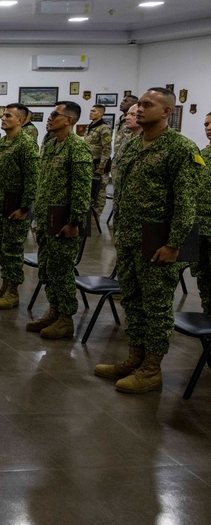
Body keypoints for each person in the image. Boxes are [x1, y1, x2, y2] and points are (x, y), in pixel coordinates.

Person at [95, 88, 202, 393]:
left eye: (147, 105)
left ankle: (152, 369)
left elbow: (186, 203)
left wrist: (174, 245)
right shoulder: (131, 144)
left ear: (167, 111)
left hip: (160, 243)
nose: (139, 110)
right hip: (129, 238)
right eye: (138, 104)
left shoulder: (180, 148)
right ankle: (135, 358)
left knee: (156, 306)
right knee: (133, 301)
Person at [25, 101, 93, 339]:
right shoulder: (51, 143)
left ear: (70, 120)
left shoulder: (77, 148)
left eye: (56, 114)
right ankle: (53, 311)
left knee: (62, 271)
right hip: (46, 219)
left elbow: (82, 189)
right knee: (47, 269)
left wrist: (75, 222)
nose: (50, 117)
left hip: (65, 221)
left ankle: (65, 319)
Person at [0, 104, 40, 309]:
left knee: (13, 249)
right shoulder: (3, 142)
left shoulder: (26, 144)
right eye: (3, 115)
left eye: (8, 116)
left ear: (21, 120)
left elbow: (33, 179)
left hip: (16, 206)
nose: (3, 118)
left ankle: (13, 291)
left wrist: (25, 208)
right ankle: (5, 285)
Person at [192, 112, 211, 316]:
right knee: (204, 277)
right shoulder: (202, 156)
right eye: (206, 124)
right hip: (200, 229)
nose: (208, 128)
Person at [84, 104, 113, 214]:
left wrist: (101, 167)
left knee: (100, 190)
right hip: (90, 163)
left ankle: (97, 214)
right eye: (90, 111)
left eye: (94, 111)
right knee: (90, 189)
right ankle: (89, 212)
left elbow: (106, 148)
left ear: (101, 113)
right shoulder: (90, 126)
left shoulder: (104, 128)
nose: (91, 113)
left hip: (99, 165)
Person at [112, 94, 139, 189]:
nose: (122, 103)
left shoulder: (137, 124)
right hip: (118, 157)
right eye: (123, 100)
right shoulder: (120, 119)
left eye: (126, 101)